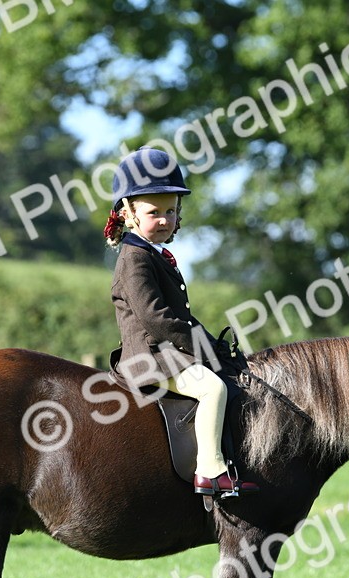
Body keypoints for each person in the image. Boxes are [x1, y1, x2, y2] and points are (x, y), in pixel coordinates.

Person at [104, 146, 258, 497]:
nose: (164, 219)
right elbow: (157, 319)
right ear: (128, 214)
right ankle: (211, 471)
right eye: (154, 212)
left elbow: (179, 317)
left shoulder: (153, 254)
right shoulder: (134, 259)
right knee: (212, 388)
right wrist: (204, 348)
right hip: (149, 357)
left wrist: (214, 345)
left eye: (171, 211)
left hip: (166, 352)